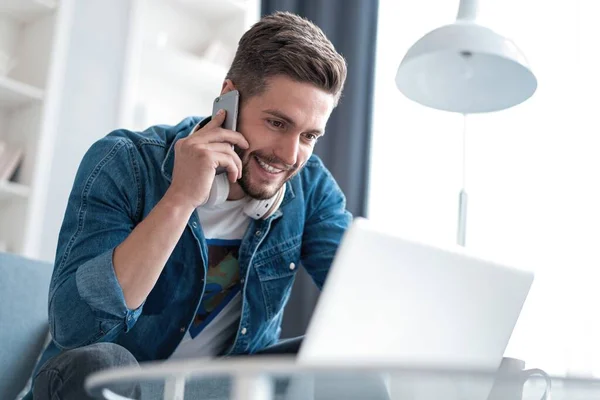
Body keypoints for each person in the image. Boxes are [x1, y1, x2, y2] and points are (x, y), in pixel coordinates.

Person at [27, 11, 388, 400]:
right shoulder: (124, 162)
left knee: (346, 367)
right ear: (228, 98)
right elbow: (75, 330)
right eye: (277, 124)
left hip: (221, 392)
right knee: (98, 365)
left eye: (309, 135)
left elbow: (364, 301)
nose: (290, 154)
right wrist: (179, 200)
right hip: (117, 388)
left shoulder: (312, 188)